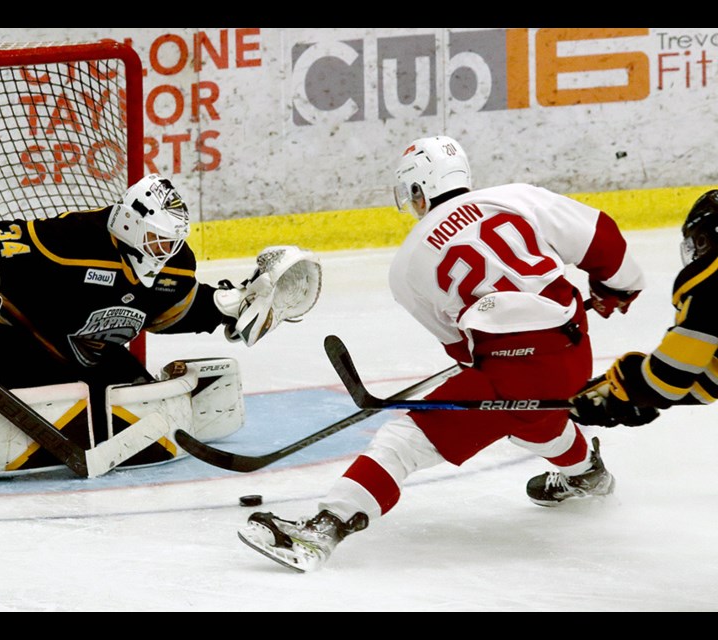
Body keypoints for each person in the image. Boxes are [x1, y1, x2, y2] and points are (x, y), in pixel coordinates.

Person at [237, 135, 646, 573]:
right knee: (526, 411)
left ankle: (323, 527)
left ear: (418, 191)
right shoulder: (513, 197)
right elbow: (602, 238)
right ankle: (586, 473)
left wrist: (492, 364)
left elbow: (462, 350)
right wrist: (615, 287)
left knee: (406, 440)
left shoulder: (407, 266)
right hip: (573, 346)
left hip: (513, 364)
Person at [0, 172, 319, 466]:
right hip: (14, 346)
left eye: (172, 242)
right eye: (158, 240)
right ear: (130, 223)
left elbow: (171, 311)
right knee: (59, 386)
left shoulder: (173, 267)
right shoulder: (73, 242)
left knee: (138, 395)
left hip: (82, 358)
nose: (165, 251)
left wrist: (226, 305)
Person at [571, 189, 718, 427]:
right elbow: (710, 381)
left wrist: (624, 388)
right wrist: (639, 393)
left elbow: (670, 377)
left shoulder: (709, 277)